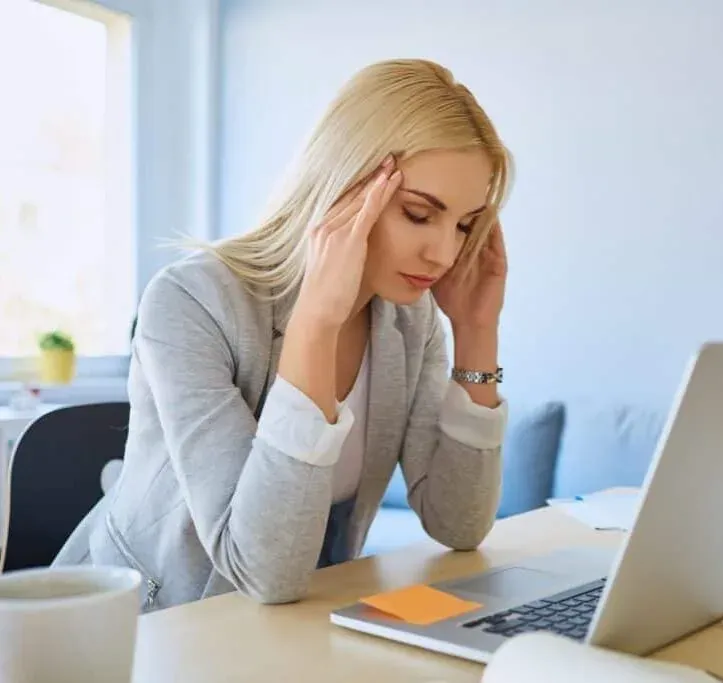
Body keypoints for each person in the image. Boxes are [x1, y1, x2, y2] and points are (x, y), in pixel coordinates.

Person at [53, 58, 513, 612]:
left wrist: (476, 330)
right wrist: (316, 323)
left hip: (292, 620)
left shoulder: (407, 322)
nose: (444, 254)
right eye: (418, 214)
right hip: (149, 623)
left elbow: (459, 523)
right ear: (343, 186)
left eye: (464, 225)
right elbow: (262, 569)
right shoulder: (191, 301)